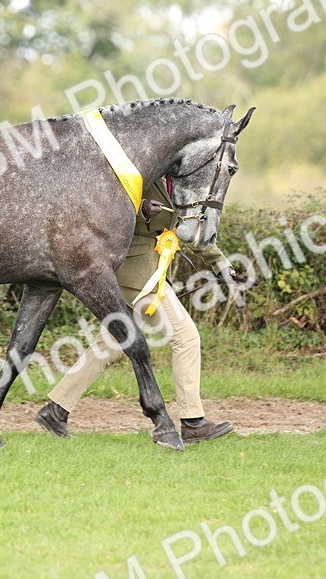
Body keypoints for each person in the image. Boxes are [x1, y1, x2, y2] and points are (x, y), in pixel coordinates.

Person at [36, 176, 240, 444]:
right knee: (186, 336)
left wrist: (220, 264)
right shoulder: (144, 169)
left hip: (151, 267)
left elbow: (189, 226)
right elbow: (104, 206)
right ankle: (193, 422)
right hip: (134, 269)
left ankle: (56, 409)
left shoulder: (180, 177)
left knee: (111, 343)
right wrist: (140, 206)